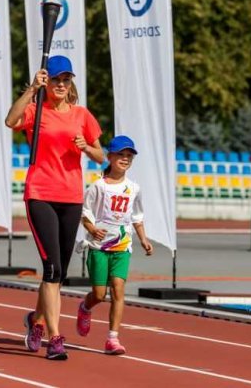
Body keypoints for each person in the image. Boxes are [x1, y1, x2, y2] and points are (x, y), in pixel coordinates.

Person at [5, 55, 104, 360]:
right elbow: (11, 121)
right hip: (40, 195)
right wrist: (31, 89)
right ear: (48, 82)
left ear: (71, 83)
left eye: (66, 80)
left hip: (71, 197)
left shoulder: (81, 115)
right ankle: (55, 338)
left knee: (57, 275)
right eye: (56, 80)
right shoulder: (36, 110)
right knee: (52, 268)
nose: (61, 85)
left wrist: (86, 147)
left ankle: (35, 321)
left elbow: (101, 156)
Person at [75, 135, 153, 355]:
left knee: (118, 289)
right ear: (110, 157)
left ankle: (113, 338)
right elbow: (84, 211)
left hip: (122, 246)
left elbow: (137, 216)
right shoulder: (98, 186)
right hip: (99, 246)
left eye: (129, 156)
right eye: (121, 155)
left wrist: (144, 239)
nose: (125, 159)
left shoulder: (134, 188)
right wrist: (91, 229)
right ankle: (85, 307)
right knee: (99, 295)